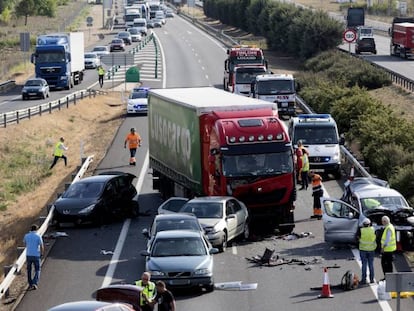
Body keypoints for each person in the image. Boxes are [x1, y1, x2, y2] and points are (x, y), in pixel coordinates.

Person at [23, 224, 44, 290]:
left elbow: (24, 243)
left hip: (28, 254)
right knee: (37, 269)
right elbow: (41, 246)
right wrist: (42, 253)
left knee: (29, 270)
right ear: (36, 229)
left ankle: (30, 283)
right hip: (36, 255)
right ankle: (35, 283)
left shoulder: (26, 236)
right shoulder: (38, 236)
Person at [357, 218, 376, 285]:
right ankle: (372, 279)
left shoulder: (361, 230)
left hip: (363, 249)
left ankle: (364, 280)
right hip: (371, 249)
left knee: (364, 264)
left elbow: (358, 237)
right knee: (371, 264)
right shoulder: (373, 229)